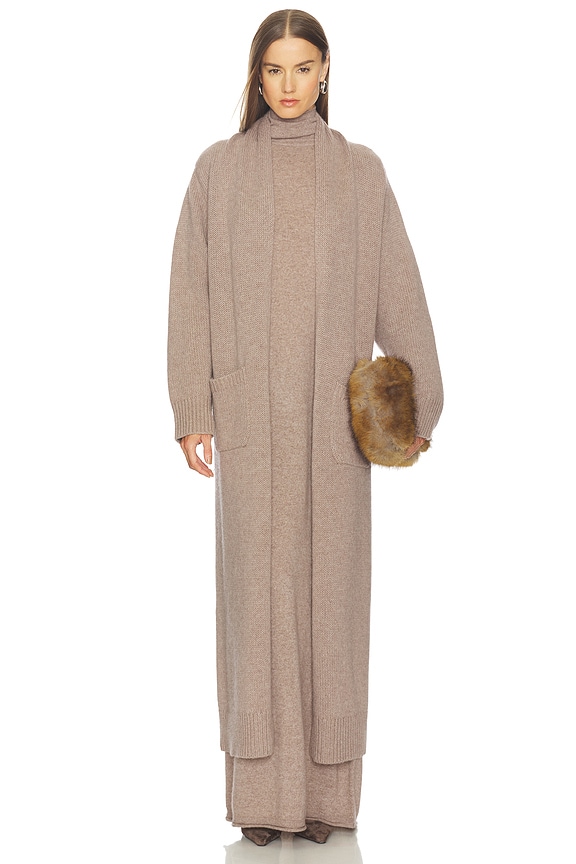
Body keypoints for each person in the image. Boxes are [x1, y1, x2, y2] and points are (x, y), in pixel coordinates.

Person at [168, 8, 443, 847]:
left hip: (333, 432)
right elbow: (189, 294)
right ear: (256, 77)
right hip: (250, 425)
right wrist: (192, 409)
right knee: (258, 612)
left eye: (303, 67)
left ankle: (327, 800)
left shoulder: (362, 173)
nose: (288, 85)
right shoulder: (217, 172)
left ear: (326, 71)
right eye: (273, 69)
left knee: (332, 608)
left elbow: (400, 291)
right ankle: (260, 802)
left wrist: (417, 407)